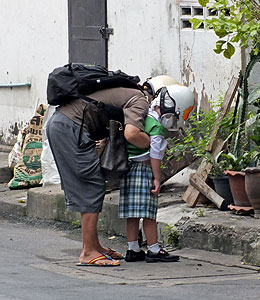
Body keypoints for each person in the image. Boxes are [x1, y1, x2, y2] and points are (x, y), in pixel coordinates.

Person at [46, 82, 162, 266]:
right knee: (91, 185)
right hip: (71, 127)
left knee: (93, 183)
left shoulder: (125, 91)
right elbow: (132, 135)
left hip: (64, 124)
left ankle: (95, 247)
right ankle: (88, 252)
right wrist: (154, 143)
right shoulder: (140, 99)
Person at [119, 85, 194, 263]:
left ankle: (133, 248)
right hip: (144, 171)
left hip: (128, 169)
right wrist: (158, 179)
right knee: (148, 213)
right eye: (175, 116)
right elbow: (155, 156)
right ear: (170, 110)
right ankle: (153, 248)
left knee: (133, 213)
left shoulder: (143, 118)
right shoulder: (157, 129)